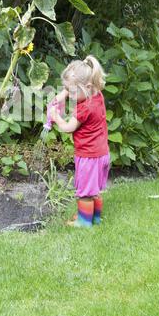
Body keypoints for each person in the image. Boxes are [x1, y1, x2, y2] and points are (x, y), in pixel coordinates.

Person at [49, 55, 110, 227]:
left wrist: (56, 117)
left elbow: (68, 127)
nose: (71, 95)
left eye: (72, 91)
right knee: (94, 190)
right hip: (101, 154)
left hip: (89, 156)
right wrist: (61, 96)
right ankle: (95, 218)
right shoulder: (96, 95)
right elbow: (72, 89)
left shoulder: (85, 108)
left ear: (87, 86)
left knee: (85, 192)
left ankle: (84, 222)